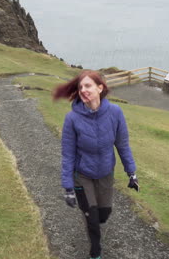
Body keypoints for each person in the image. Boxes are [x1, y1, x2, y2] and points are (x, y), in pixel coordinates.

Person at [53, 70, 139, 259]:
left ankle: (94, 220)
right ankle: (95, 252)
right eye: (80, 87)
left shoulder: (115, 113)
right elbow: (67, 155)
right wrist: (68, 187)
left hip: (106, 173)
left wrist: (131, 173)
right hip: (82, 175)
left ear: (100, 88)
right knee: (91, 218)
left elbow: (122, 145)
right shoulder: (72, 119)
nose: (83, 90)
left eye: (88, 86)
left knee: (103, 215)